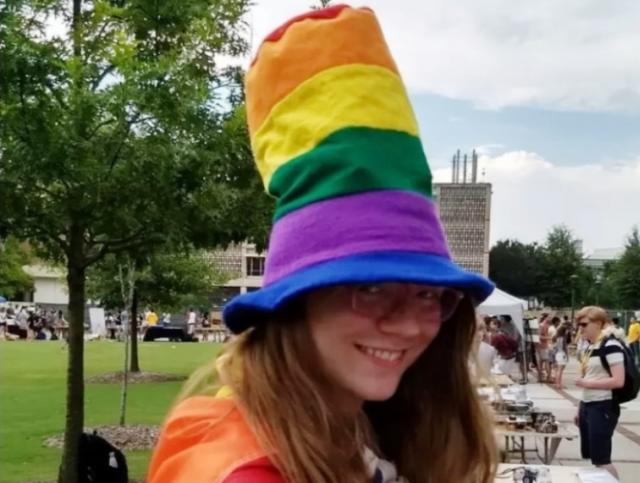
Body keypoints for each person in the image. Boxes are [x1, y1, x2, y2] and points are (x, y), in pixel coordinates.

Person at [147, 6, 498, 483]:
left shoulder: (353, 425)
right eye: (370, 288)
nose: (407, 325)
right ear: (297, 301)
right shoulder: (250, 472)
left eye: (427, 293)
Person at [574, 306, 625, 479]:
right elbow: (591, 376)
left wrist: (587, 383)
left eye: (584, 324)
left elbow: (618, 381)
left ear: (598, 323)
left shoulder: (610, 346)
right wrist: (580, 408)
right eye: (579, 324)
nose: (580, 328)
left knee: (602, 460)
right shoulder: (591, 346)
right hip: (589, 405)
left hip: (603, 405)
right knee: (596, 459)